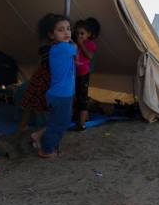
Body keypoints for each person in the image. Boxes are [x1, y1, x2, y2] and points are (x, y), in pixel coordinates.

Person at [31, 14, 77, 158]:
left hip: (58, 93)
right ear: (51, 34)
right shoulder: (64, 47)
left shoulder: (56, 48)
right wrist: (74, 43)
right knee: (60, 124)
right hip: (61, 95)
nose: (67, 32)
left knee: (58, 121)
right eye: (61, 30)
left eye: (68, 29)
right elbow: (75, 48)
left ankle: (38, 135)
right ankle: (46, 150)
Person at [17, 39, 51, 132]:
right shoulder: (48, 72)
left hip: (34, 90)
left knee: (28, 108)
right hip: (39, 92)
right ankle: (38, 132)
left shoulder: (39, 71)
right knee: (42, 110)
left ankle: (23, 127)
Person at [73, 18, 100, 130]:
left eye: (82, 33)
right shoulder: (75, 44)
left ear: (89, 34)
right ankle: (78, 119)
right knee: (76, 96)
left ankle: (82, 123)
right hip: (75, 73)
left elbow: (89, 56)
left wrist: (81, 44)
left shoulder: (90, 44)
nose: (79, 35)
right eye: (77, 33)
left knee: (83, 98)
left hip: (84, 74)